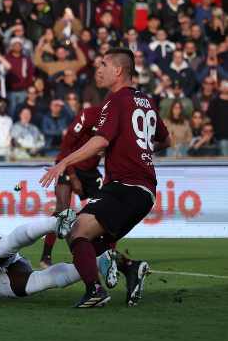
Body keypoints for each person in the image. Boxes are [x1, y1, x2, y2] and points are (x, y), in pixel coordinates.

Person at [40, 48, 170, 307]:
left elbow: (101, 140)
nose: (98, 69)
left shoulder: (117, 100)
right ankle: (131, 268)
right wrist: (141, 149)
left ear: (118, 70)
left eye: (103, 64)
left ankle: (95, 290)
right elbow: (166, 140)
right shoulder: (147, 101)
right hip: (144, 191)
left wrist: (64, 161)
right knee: (95, 242)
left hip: (125, 186)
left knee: (75, 231)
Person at [39, 105, 103, 268]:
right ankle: (46, 256)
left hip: (90, 170)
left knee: (106, 208)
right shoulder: (88, 115)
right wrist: (73, 176)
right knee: (61, 209)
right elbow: (65, 147)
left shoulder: (117, 120)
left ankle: (105, 254)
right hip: (67, 164)